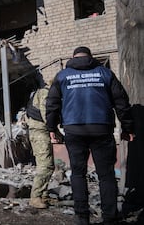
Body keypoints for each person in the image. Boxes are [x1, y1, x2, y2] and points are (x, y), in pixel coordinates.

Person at [46, 46, 134, 225]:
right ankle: (109, 218)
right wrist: (127, 127)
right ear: (90, 57)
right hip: (101, 128)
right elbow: (121, 102)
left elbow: (52, 104)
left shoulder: (62, 76)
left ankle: (82, 218)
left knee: (78, 174)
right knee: (106, 175)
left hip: (74, 130)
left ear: (73, 57)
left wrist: (52, 128)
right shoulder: (105, 73)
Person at [26, 81, 55, 209]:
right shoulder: (46, 93)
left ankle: (43, 195)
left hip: (40, 132)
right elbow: (46, 114)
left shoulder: (46, 92)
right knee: (45, 166)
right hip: (40, 133)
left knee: (48, 165)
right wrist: (53, 129)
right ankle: (35, 197)